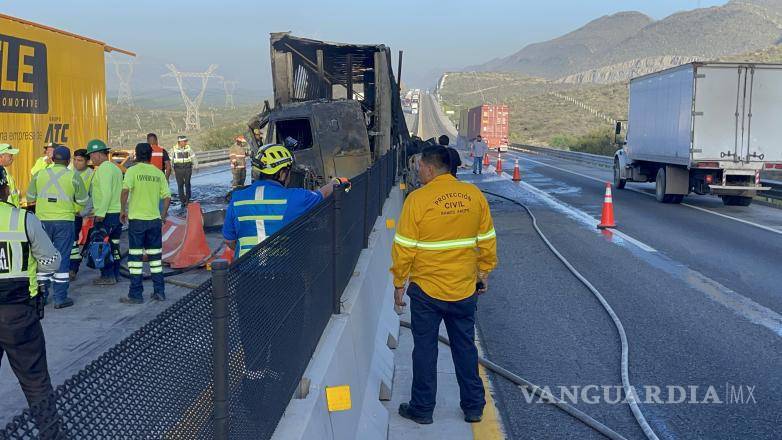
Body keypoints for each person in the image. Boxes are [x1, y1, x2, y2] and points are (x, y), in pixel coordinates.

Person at [391, 145, 497, 425]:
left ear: (429, 168)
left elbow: (404, 248)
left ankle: (422, 409)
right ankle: (474, 407)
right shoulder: (475, 196)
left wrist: (399, 283)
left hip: (427, 290)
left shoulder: (418, 199)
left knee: (425, 350)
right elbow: (486, 239)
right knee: (465, 347)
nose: (418, 170)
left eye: (420, 166)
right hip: (463, 288)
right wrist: (483, 273)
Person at [0, 165, 63, 437]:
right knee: (36, 381)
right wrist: (35, 276)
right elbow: (51, 261)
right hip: (19, 315)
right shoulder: (23, 220)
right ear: (3, 188)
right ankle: (51, 434)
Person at [223, 143, 346, 258]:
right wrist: (338, 181)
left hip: (244, 272)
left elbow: (229, 240)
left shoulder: (237, 198)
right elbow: (323, 193)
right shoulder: (294, 197)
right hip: (281, 270)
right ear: (282, 174)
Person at [26, 146, 88, 309]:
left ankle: (42, 295)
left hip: (42, 223)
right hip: (65, 222)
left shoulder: (39, 175)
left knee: (42, 257)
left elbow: (30, 197)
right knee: (62, 258)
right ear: (68, 161)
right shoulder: (73, 176)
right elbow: (83, 201)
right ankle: (60, 298)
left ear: (53, 159)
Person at [120, 143, 171, 304]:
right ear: (150, 155)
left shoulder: (132, 171)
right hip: (154, 221)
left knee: (135, 259)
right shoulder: (158, 173)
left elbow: (125, 190)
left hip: (137, 222)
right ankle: (159, 291)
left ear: (136, 155)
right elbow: (167, 197)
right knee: (155, 259)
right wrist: (162, 215)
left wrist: (123, 210)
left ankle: (135, 294)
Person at [87, 139, 123, 285]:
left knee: (102, 245)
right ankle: (115, 274)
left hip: (106, 214)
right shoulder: (115, 168)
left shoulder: (104, 169)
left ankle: (107, 276)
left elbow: (106, 193)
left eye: (91, 155)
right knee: (114, 245)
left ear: (97, 154)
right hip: (115, 213)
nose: (91, 159)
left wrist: (100, 213)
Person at [69, 149, 94, 280]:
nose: (76, 163)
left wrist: (84, 213)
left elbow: (92, 196)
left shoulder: (91, 175)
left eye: (80, 160)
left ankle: (73, 268)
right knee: (69, 241)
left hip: (79, 213)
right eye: (75, 159)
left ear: (87, 161)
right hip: (67, 212)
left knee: (74, 242)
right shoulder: (69, 172)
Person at [171, 135, 197, 206]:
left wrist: (196, 166)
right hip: (178, 169)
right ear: (180, 142)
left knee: (187, 184)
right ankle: (182, 200)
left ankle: (188, 199)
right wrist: (171, 169)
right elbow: (171, 159)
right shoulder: (174, 149)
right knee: (180, 185)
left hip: (187, 168)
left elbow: (193, 157)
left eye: (186, 141)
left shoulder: (188, 148)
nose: (186, 143)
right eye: (185, 141)